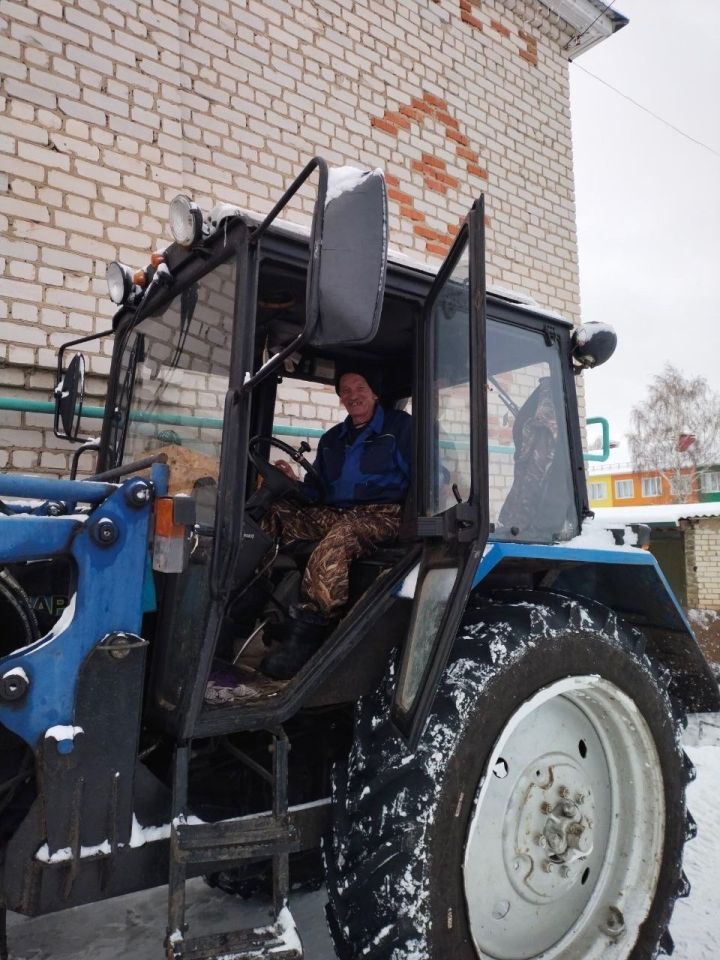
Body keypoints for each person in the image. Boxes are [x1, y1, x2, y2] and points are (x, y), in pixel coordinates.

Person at [259, 365, 411, 679]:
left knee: (340, 537)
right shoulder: (332, 439)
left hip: (385, 513)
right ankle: (259, 598)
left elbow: (426, 475)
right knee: (276, 509)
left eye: (360, 388)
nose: (353, 395)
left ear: (374, 393)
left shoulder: (399, 428)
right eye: (346, 391)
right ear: (340, 398)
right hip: (338, 512)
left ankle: (309, 634)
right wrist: (292, 482)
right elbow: (315, 492)